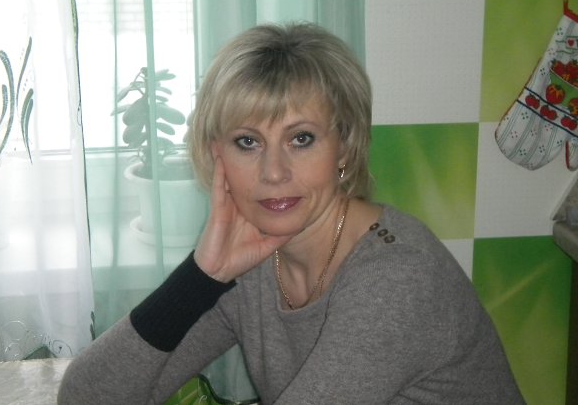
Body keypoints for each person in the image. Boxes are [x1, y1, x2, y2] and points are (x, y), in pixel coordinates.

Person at [58, 22, 525, 404]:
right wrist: (200, 277)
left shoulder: (398, 279)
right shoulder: (253, 264)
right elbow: (86, 397)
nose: (274, 172)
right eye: (247, 142)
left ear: (344, 146)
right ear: (217, 156)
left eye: (301, 139)